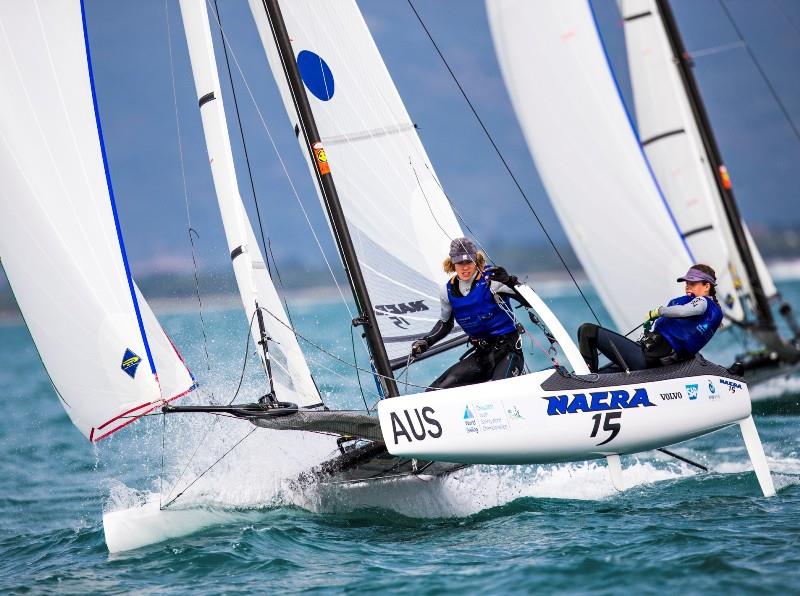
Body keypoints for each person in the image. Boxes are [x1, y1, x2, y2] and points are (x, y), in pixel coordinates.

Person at [411, 237, 530, 390]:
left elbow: (529, 302)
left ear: (476, 260)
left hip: (508, 350)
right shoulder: (446, 291)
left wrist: (510, 282)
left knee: (499, 390)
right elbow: (445, 325)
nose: (465, 267)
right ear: (452, 263)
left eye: (469, 262)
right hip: (482, 355)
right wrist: (426, 341)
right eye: (460, 263)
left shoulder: (492, 280)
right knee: (435, 391)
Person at [577, 264, 723, 373]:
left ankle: (585, 381)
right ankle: (591, 380)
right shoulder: (707, 313)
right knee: (603, 374)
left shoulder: (703, 302)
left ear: (706, 286)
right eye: (686, 283)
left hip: (647, 360)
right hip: (654, 360)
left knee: (587, 331)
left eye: (693, 283)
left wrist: (658, 311)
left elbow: (684, 311)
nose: (687, 287)